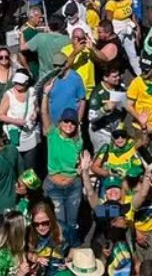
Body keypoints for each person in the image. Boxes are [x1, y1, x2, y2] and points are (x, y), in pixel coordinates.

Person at [41, 100, 86, 247]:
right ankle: (61, 251)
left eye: (72, 123)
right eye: (66, 121)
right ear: (60, 122)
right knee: (59, 223)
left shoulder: (78, 141)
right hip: (54, 187)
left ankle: (73, 249)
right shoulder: (52, 135)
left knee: (72, 223)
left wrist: (81, 168)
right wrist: (46, 95)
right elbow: (44, 113)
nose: (69, 125)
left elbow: (80, 162)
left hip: (73, 186)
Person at [0, 72, 41, 170]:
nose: (17, 85)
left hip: (30, 136)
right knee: (16, 166)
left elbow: (36, 107)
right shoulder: (9, 94)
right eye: (16, 83)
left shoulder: (32, 92)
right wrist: (16, 121)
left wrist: (35, 113)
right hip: (14, 135)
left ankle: (29, 185)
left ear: (26, 83)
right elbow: (0, 115)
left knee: (30, 168)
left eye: (20, 83)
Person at [26, 200, 69, 275]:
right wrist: (36, 258)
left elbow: (75, 249)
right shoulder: (28, 232)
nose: (41, 227)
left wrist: (68, 261)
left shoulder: (64, 229)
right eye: (36, 224)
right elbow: (23, 253)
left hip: (60, 271)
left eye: (45, 223)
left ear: (51, 219)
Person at [0, 210, 30, 276]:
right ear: (18, 233)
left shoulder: (18, 247)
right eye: (25, 230)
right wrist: (20, 274)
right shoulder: (0, 256)